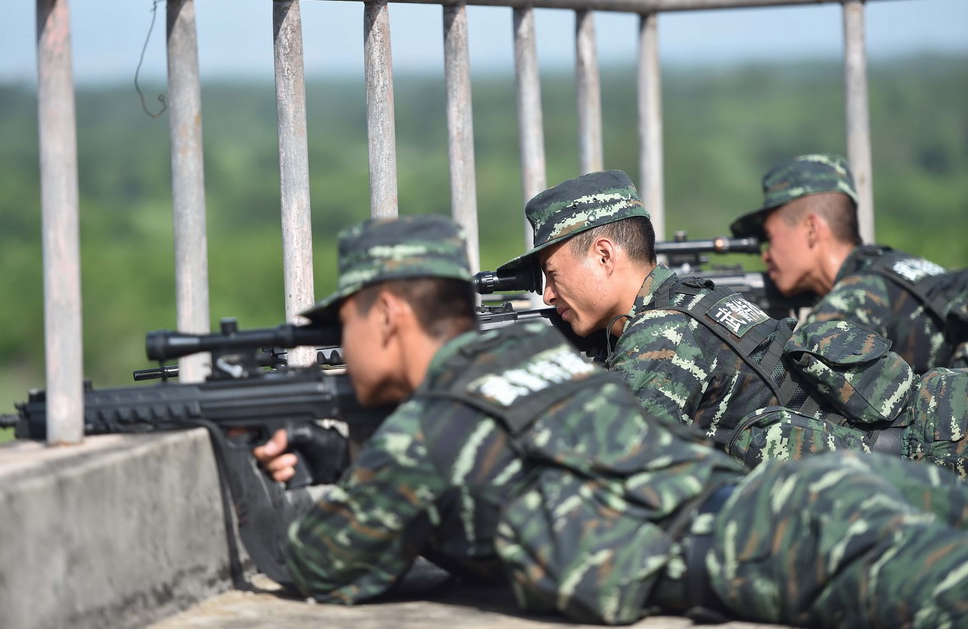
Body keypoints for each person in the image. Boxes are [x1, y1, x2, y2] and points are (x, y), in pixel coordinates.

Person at [254, 213, 968, 627]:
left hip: (767, 540)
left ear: (386, 315)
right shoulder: (526, 352)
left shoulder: (431, 427)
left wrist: (283, 486)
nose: (341, 349)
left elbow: (329, 562)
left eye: (341, 323)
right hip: (803, 494)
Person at [497, 169, 968, 475]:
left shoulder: (661, 334)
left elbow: (617, 470)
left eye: (553, 275)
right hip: (939, 421)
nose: (548, 294)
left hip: (940, 450)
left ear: (603, 255)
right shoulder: (691, 302)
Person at [730, 153, 968, 373]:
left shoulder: (848, 304)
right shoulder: (895, 266)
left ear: (811, 229)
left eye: (770, 239)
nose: (766, 255)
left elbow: (790, 393)